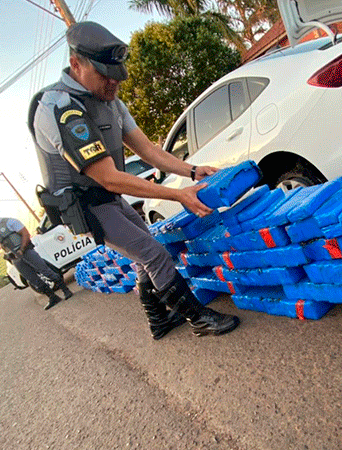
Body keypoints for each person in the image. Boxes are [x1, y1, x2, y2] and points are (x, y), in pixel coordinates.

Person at [28, 21, 239, 339]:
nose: (114, 84)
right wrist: (179, 195)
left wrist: (192, 171)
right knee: (153, 253)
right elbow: (109, 178)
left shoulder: (111, 103)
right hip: (89, 204)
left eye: (118, 76)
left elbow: (148, 150)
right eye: (105, 75)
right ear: (76, 64)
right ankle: (199, 319)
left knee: (143, 257)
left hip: (108, 197)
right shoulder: (58, 109)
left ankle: (158, 321)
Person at [0, 205, 73, 310]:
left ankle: (66, 290)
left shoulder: (9, 222)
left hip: (26, 251)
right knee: (32, 279)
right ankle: (52, 297)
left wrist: (21, 250)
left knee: (45, 271)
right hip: (14, 258)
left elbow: (25, 234)